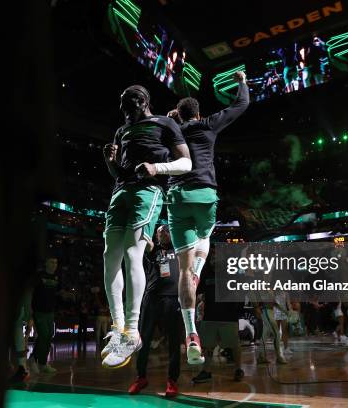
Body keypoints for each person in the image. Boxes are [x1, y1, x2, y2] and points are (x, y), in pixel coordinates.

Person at [101, 84, 191, 369]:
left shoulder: (164, 124)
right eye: (121, 105)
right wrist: (110, 163)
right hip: (120, 191)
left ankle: (132, 331)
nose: (123, 110)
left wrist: (157, 168)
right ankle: (117, 328)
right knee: (109, 256)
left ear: (141, 101)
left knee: (132, 253)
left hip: (148, 191)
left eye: (127, 104)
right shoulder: (121, 131)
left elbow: (186, 162)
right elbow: (118, 172)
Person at [167, 71, 249, 365]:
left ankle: (191, 335)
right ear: (198, 113)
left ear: (179, 114)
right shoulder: (207, 124)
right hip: (204, 195)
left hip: (176, 197)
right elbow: (241, 105)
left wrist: (173, 121)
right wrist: (241, 80)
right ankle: (197, 272)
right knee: (205, 238)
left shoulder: (171, 130)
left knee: (183, 270)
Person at [129, 225, 183, 398]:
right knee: (143, 339)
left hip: (173, 298)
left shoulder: (180, 250)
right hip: (152, 298)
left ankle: (172, 381)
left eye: (166, 230)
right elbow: (147, 242)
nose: (162, 233)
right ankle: (141, 377)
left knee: (174, 342)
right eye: (159, 232)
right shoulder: (153, 250)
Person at [192, 252, 245, 383]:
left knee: (234, 344)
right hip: (210, 316)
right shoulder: (206, 274)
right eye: (212, 257)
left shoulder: (231, 273)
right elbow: (199, 292)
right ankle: (206, 371)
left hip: (228, 317)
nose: (214, 259)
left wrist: (237, 311)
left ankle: (238, 369)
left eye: (217, 257)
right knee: (207, 346)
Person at [29, 257, 59, 374]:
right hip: (39, 311)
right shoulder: (38, 276)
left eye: (56, 262)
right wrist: (30, 310)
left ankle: (42, 363)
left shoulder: (56, 277)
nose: (54, 264)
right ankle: (32, 360)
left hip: (50, 312)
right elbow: (31, 292)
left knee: (49, 336)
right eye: (51, 262)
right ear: (46, 263)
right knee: (43, 335)